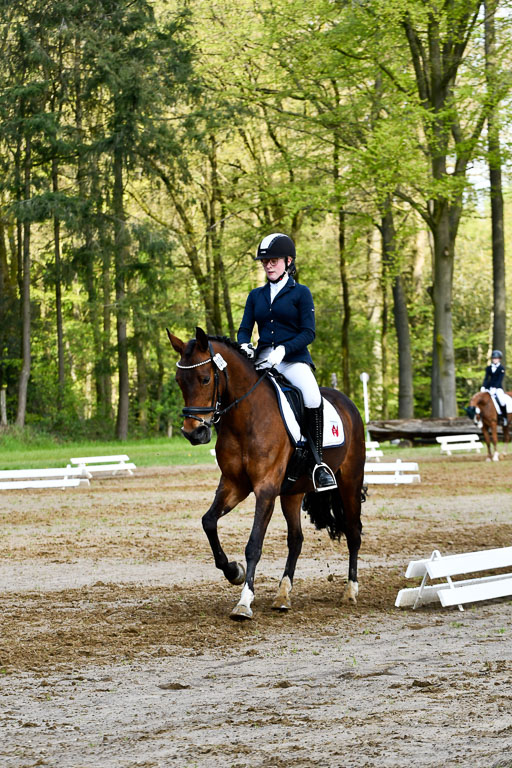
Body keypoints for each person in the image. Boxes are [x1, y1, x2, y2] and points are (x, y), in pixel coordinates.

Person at [237, 232, 337, 491]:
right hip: (262, 361)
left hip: (292, 361)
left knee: (312, 396)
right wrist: (244, 344)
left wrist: (283, 350)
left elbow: (308, 332)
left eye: (274, 260)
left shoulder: (300, 293)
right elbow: (245, 328)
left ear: (288, 261)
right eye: (265, 261)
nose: (268, 265)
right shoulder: (255, 296)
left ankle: (318, 464)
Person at [481, 350, 508, 426]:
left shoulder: (501, 368)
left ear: (499, 359)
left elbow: (499, 380)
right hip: (489, 388)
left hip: (498, 388)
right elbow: (486, 378)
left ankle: (504, 417)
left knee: (502, 401)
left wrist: (495, 388)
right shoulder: (489, 368)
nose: (495, 359)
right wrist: (483, 386)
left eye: (496, 358)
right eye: (493, 358)